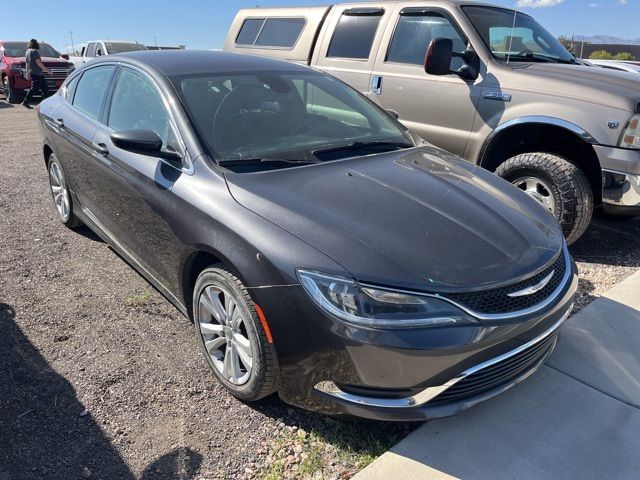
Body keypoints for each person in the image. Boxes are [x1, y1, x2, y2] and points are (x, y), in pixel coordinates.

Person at [22, 39, 52, 109]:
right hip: (36, 73)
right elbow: (39, 63)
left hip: (35, 73)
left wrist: (27, 73)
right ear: (36, 44)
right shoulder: (35, 52)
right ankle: (25, 102)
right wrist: (48, 71)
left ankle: (48, 104)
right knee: (34, 88)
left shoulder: (27, 52)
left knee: (45, 89)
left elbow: (27, 64)